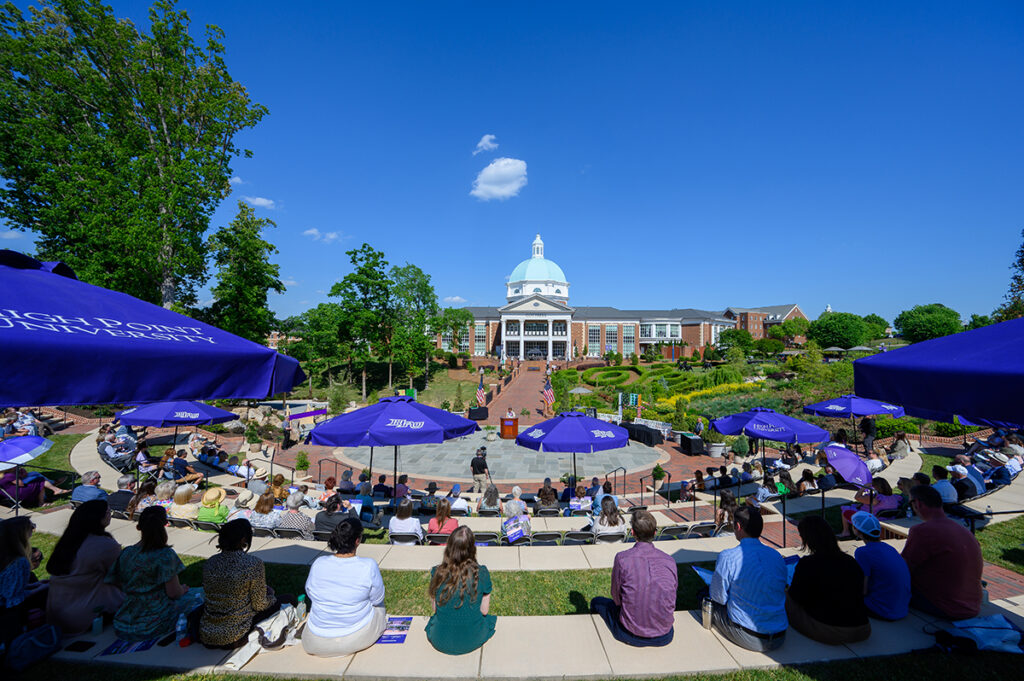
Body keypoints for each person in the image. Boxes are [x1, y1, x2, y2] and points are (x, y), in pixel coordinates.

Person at [200, 519, 295, 648]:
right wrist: (271, 596)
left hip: (208, 633)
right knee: (289, 598)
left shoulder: (210, 563)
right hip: (236, 633)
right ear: (243, 539)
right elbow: (260, 605)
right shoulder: (252, 564)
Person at [106, 505, 195, 641]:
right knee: (197, 598)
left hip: (123, 622)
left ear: (139, 527)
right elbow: (174, 593)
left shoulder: (127, 553)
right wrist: (182, 589)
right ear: (165, 524)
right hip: (155, 623)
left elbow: (116, 581)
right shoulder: (165, 555)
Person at [590, 509, 676, 646]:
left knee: (596, 602)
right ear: (655, 533)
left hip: (629, 633)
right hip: (664, 634)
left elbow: (616, 597)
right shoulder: (669, 561)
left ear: (633, 532)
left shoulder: (622, 559)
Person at [303, 517, 386, 656]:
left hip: (314, 641)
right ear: (357, 541)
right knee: (380, 607)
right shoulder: (368, 565)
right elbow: (377, 599)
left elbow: (310, 593)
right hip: (354, 637)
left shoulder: (318, 563)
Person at [708, 506, 787, 651]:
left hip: (748, 635)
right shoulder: (776, 556)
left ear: (738, 526)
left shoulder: (728, 557)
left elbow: (718, 597)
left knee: (705, 599)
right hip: (780, 635)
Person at [902, 486, 983, 620]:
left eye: (910, 503)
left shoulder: (923, 531)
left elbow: (903, 569)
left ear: (917, 504)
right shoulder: (962, 530)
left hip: (945, 606)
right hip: (972, 603)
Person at [786, 516, 870, 644]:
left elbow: (796, 597)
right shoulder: (850, 561)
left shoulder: (808, 564)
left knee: (784, 596)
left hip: (831, 630)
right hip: (863, 628)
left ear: (808, 539)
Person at [45, 499, 124, 634]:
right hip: (88, 616)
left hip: (56, 613)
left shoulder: (67, 541)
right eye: (108, 512)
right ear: (98, 518)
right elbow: (122, 577)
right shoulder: (104, 545)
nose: (110, 515)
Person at [425, 526, 497, 654]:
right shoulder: (482, 573)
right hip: (473, 639)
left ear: (449, 547)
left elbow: (435, 609)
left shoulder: (437, 572)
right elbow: (484, 611)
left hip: (440, 639)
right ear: (472, 549)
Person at [850, 512, 911, 621]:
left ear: (857, 530)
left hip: (882, 610)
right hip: (902, 608)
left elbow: (863, 590)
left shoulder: (862, 552)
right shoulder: (889, 548)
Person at [0, 516, 46, 646]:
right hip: (7, 617)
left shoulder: (5, 557)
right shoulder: (19, 563)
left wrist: (35, 585)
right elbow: (13, 600)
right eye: (31, 527)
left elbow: (7, 588)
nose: (33, 529)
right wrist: (39, 589)